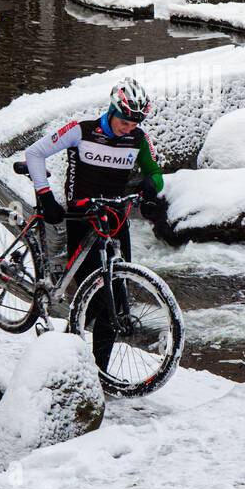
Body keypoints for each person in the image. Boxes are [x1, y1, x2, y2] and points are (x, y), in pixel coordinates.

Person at [23, 77, 165, 369]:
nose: (130, 127)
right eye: (125, 121)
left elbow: (155, 171)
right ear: (112, 110)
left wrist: (152, 184)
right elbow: (35, 153)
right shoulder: (81, 130)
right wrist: (45, 195)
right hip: (82, 218)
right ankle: (66, 349)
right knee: (99, 295)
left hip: (115, 219)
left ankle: (101, 370)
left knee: (117, 293)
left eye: (135, 122)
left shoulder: (139, 138)